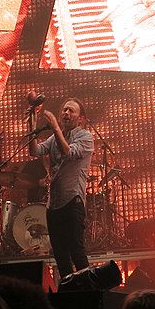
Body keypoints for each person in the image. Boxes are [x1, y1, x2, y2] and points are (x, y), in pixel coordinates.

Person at [28, 97, 94, 279]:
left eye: (71, 110)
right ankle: (68, 290)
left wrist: (56, 128)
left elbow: (69, 152)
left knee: (76, 251)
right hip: (54, 204)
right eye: (64, 110)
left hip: (72, 201)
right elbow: (35, 151)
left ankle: (87, 289)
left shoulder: (85, 137)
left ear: (81, 119)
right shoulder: (54, 138)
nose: (66, 113)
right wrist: (32, 121)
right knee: (60, 255)